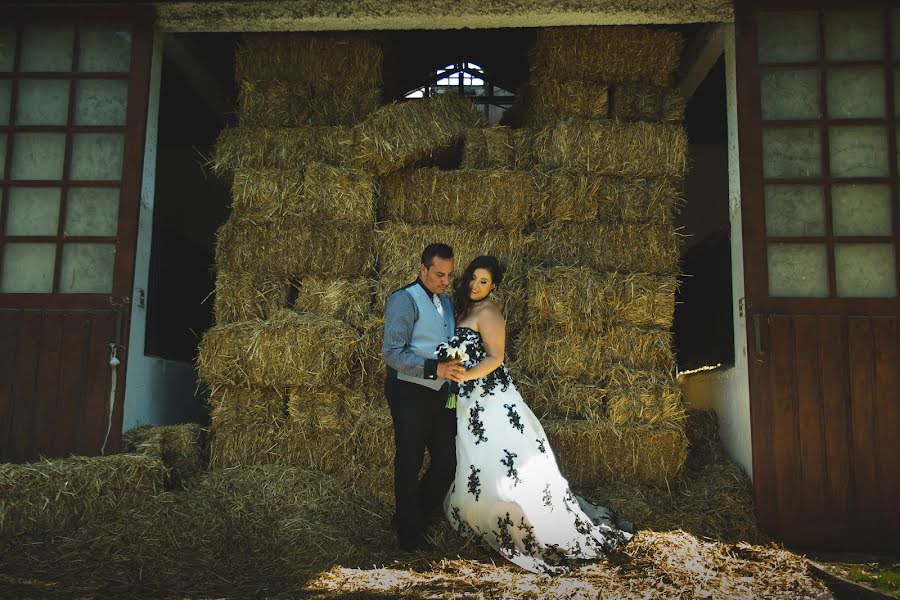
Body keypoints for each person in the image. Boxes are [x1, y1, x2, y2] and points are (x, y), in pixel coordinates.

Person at [440, 255, 633, 575]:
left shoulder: (489, 312)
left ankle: (523, 518)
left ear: (494, 286)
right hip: (467, 400)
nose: (475, 285)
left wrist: (465, 375)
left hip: (490, 396)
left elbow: (496, 358)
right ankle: (478, 513)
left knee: (499, 455)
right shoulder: (462, 308)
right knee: (474, 456)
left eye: (483, 281)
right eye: (473, 278)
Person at [381, 243, 466, 552]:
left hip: (441, 393)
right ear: (423, 269)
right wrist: (436, 369)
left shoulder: (445, 303)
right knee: (410, 460)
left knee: (447, 461)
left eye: (449, 275)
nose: (445, 281)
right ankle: (409, 536)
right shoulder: (404, 300)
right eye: (439, 274)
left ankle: (409, 515)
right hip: (409, 390)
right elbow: (392, 353)